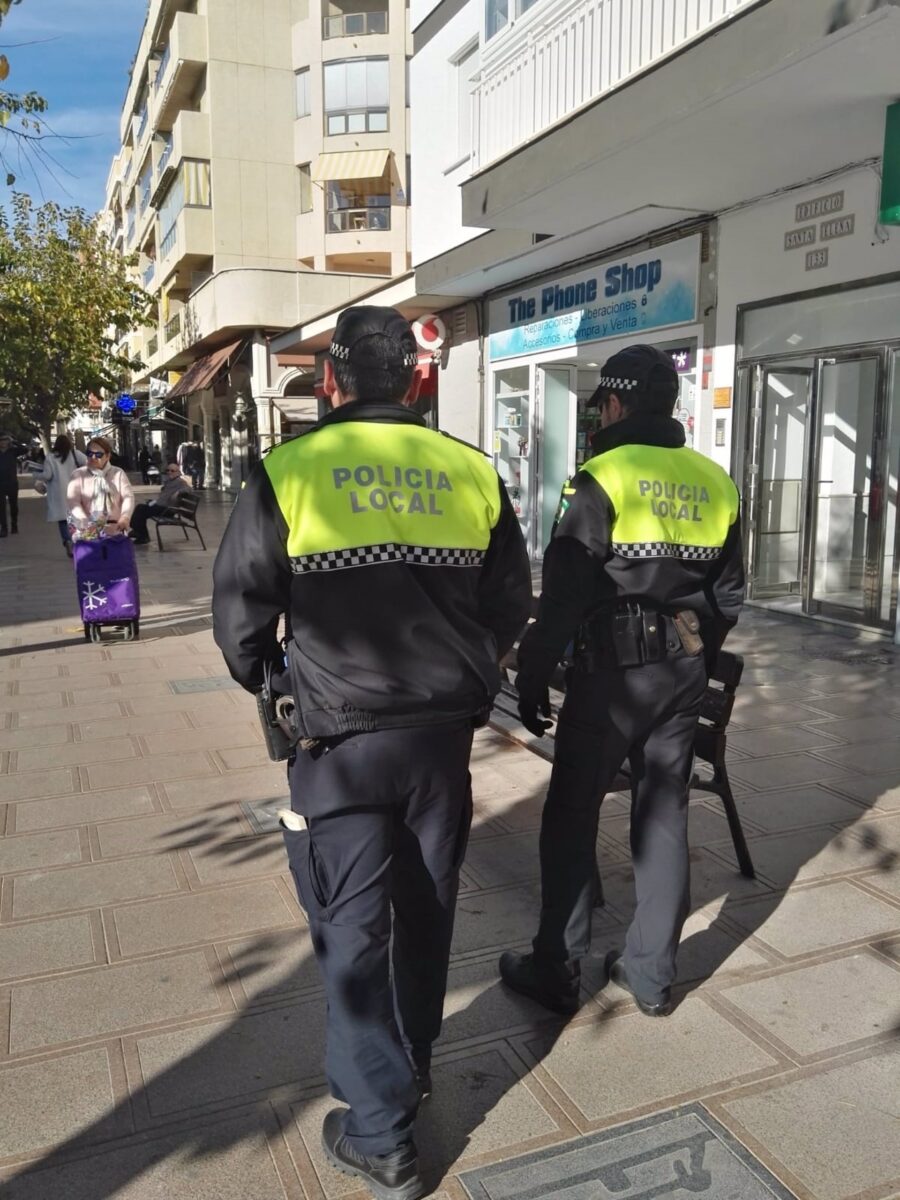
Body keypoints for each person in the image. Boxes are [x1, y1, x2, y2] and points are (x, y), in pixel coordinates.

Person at [212, 305, 531, 1200]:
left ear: (334, 381)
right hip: (441, 744)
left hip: (338, 745)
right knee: (425, 907)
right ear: (414, 378)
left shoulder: (288, 472)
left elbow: (238, 621)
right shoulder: (471, 470)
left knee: (352, 928)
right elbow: (512, 602)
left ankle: (383, 1134)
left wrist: (276, 680)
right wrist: (466, 673)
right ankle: (414, 1064)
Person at [499, 344, 744, 1020]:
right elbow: (729, 596)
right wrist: (691, 650)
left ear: (615, 402)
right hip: (684, 675)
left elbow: (563, 600)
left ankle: (555, 969)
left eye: (600, 403)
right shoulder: (715, 481)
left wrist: (534, 675)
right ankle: (651, 976)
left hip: (610, 681)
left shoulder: (598, 479)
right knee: (662, 814)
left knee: (572, 814)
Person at [66, 436, 135, 537]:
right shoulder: (78, 474)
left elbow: (128, 497)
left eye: (98, 454)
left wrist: (125, 517)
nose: (93, 458)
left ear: (107, 456)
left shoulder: (118, 473)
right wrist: (84, 521)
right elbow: (73, 502)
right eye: (90, 454)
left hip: (115, 531)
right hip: (87, 533)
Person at [33, 435, 87, 557]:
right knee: (76, 518)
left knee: (63, 520)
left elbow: (47, 476)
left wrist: (36, 474)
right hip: (76, 491)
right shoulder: (75, 454)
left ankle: (67, 541)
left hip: (58, 494)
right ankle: (76, 541)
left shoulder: (50, 457)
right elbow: (88, 464)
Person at [128, 463, 192, 545]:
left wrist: (179, 492)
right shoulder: (169, 482)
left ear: (178, 472)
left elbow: (189, 489)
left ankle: (142, 535)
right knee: (140, 507)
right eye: (168, 470)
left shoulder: (180, 482)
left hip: (167, 509)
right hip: (160, 506)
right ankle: (138, 531)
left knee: (141, 510)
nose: (169, 472)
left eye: (172, 471)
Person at [0, 432, 20, 537]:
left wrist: (14, 441)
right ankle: (4, 528)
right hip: (0, 484)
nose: (3, 442)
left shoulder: (13, 451)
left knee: (14, 506)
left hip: (12, 483)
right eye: (1, 440)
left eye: (5, 440)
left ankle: (14, 525)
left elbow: (24, 449)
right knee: (1, 507)